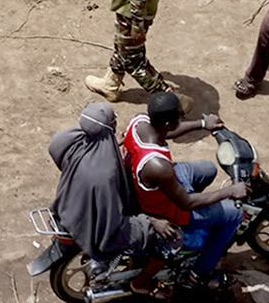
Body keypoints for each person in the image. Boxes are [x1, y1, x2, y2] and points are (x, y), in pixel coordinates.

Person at [120, 94, 245, 287]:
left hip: (160, 186)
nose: (182, 118)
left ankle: (202, 227)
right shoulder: (158, 166)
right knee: (235, 213)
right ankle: (200, 272)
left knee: (207, 170)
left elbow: (167, 132)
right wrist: (229, 191)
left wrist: (204, 123)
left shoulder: (140, 122)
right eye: (180, 115)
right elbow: (186, 203)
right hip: (168, 209)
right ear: (169, 122)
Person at [48, 103, 174, 267]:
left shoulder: (75, 144)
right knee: (164, 236)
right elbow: (113, 217)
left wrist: (112, 142)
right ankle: (143, 283)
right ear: (110, 126)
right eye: (114, 120)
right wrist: (152, 221)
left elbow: (56, 149)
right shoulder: (106, 173)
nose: (116, 123)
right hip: (99, 225)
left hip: (69, 208)